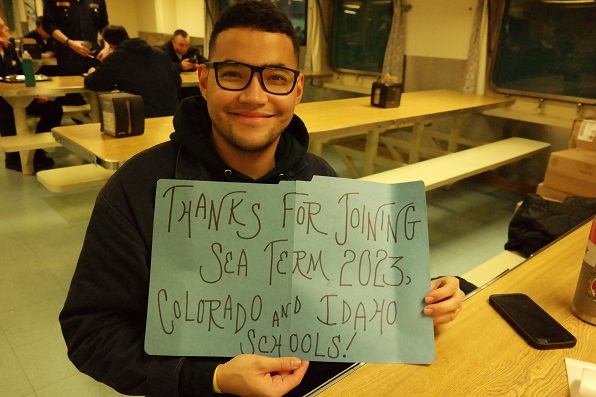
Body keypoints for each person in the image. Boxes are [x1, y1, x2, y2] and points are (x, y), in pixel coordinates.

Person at [59, 2, 464, 397]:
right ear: (204, 81)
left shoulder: (320, 179)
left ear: (297, 89)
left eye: (276, 77)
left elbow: (353, 296)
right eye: (233, 74)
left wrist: (419, 302)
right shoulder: (139, 188)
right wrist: (211, 379)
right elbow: (91, 331)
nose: (255, 96)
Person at [0, 17, 62, 172]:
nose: (7, 28)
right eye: (2, 27)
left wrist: (35, 93)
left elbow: (20, 72)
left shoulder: (9, 48)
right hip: (2, 100)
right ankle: (14, 159)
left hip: (20, 95)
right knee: (7, 113)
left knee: (53, 108)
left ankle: (37, 152)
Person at [84, 25, 181, 118]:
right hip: (171, 114)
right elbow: (177, 81)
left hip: (141, 116)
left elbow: (93, 82)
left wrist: (92, 73)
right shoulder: (161, 53)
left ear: (111, 45)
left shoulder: (117, 58)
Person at [41, 0, 109, 76]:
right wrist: (69, 43)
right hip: (68, 56)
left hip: (93, 55)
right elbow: (48, 25)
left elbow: (104, 26)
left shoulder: (98, 1)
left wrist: (107, 47)